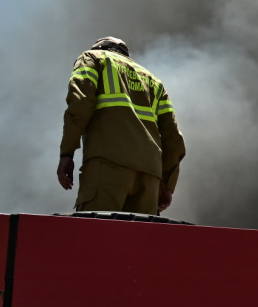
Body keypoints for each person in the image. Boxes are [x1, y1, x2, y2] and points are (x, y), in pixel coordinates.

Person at [57, 37, 186, 215]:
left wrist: (67, 153)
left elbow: (79, 106)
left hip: (108, 164)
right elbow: (174, 139)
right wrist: (167, 186)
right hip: (149, 176)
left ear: (99, 48)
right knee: (137, 241)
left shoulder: (92, 58)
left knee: (96, 236)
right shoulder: (154, 81)